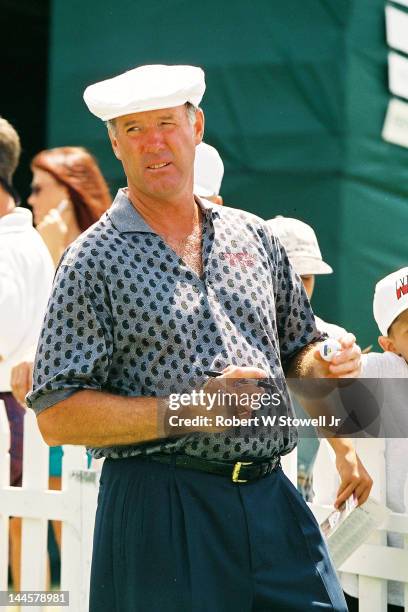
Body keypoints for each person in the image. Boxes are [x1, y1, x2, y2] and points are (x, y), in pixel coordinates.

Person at [27, 64, 365, 611]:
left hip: (272, 499)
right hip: (159, 509)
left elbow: (297, 352)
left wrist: (323, 366)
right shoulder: (92, 258)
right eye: (133, 129)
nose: (154, 143)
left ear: (197, 126)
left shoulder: (255, 237)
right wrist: (187, 411)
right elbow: (56, 414)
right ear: (114, 143)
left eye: (166, 122)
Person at [10, 145, 111, 587]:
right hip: (36, 415)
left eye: (38, 188)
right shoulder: (36, 245)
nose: (30, 199)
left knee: (72, 527)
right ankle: (32, 607)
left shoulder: (103, 252)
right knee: (23, 525)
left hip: (82, 413)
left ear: (69, 193)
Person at [266, 216, 371, 505]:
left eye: (307, 277)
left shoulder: (332, 337)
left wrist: (349, 363)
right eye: (289, 276)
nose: (297, 287)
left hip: (309, 503)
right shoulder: (234, 334)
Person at [0, 117, 55, 589]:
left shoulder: (8, 248)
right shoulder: (24, 241)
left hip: (10, 415)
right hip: (22, 420)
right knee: (23, 551)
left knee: (22, 554)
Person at [343, 266, 408, 612]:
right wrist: (339, 353)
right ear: (390, 344)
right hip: (385, 566)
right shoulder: (387, 370)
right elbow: (338, 370)